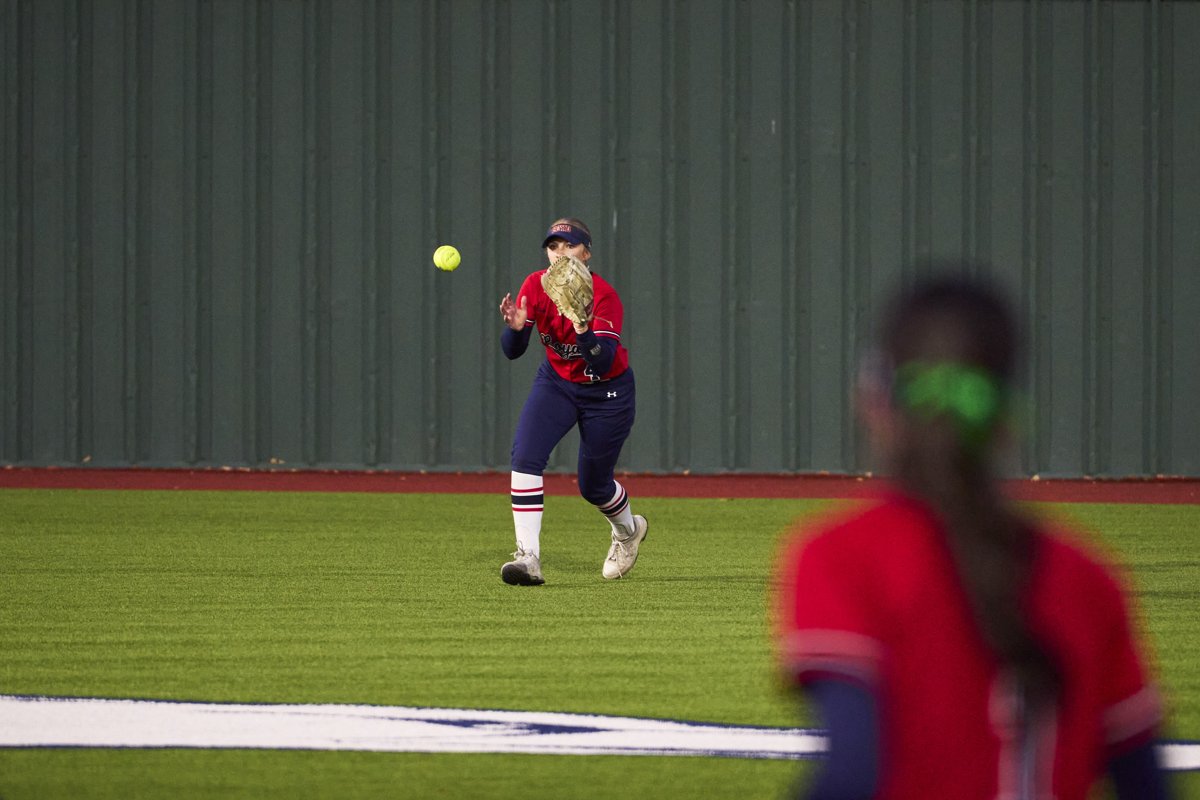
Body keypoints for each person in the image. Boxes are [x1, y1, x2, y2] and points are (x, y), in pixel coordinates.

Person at [773, 276, 1168, 799]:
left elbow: (851, 773)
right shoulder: (1087, 576)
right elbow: (1146, 785)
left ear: (875, 401)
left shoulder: (842, 555)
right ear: (1007, 417)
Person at [496, 217, 647, 586]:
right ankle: (527, 557)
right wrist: (514, 330)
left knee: (593, 485)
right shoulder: (536, 285)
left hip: (607, 391)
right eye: (553, 246)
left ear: (587, 253)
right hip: (558, 383)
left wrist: (582, 329)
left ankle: (628, 531)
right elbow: (513, 352)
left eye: (569, 245)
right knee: (526, 455)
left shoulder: (604, 296)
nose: (560, 253)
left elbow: (603, 359)